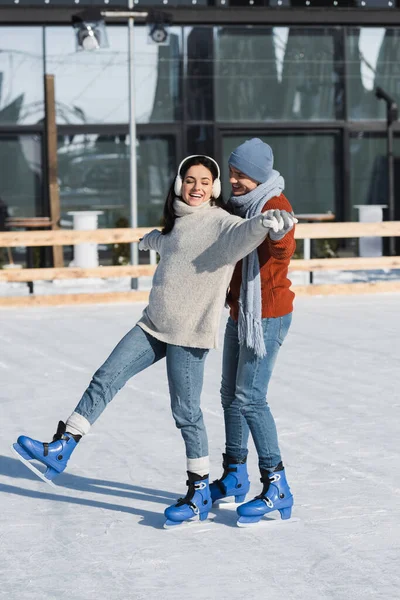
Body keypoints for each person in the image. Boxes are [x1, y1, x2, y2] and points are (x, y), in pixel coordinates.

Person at [12, 154, 296, 528]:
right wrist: (157, 241)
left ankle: (197, 494)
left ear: (215, 189)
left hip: (188, 334)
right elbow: (181, 245)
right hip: (153, 325)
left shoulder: (224, 224)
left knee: (186, 414)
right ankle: (63, 446)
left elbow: (245, 233)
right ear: (179, 184)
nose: (198, 187)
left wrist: (266, 225)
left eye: (206, 182)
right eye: (191, 180)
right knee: (107, 375)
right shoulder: (180, 221)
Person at [209, 139, 296, 526]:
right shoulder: (238, 207)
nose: (233, 180)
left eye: (240, 174)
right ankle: (234, 474)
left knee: (250, 397)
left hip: (267, 316)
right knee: (230, 393)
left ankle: (277, 485)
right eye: (231, 173)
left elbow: (282, 249)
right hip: (240, 312)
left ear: (258, 176)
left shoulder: (274, 206)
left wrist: (277, 236)